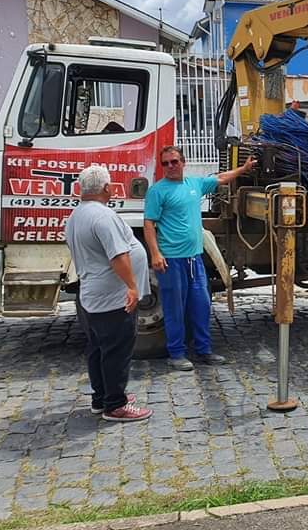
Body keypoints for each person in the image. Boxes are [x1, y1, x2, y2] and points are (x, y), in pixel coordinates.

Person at [143, 145, 255, 371]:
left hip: (194, 259)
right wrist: (155, 253)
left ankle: (204, 350)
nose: (170, 166)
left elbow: (221, 178)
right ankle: (176, 354)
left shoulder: (194, 184)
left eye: (174, 161)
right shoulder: (157, 191)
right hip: (171, 260)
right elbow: (148, 224)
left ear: (183, 162)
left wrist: (243, 169)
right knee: (174, 307)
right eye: (165, 163)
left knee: (201, 304)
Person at [66, 165, 152, 422]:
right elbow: (118, 255)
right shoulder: (103, 217)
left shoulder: (77, 214)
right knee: (117, 350)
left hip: (93, 294)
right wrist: (132, 287)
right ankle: (115, 405)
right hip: (112, 296)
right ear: (107, 188)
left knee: (98, 348)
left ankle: (100, 396)